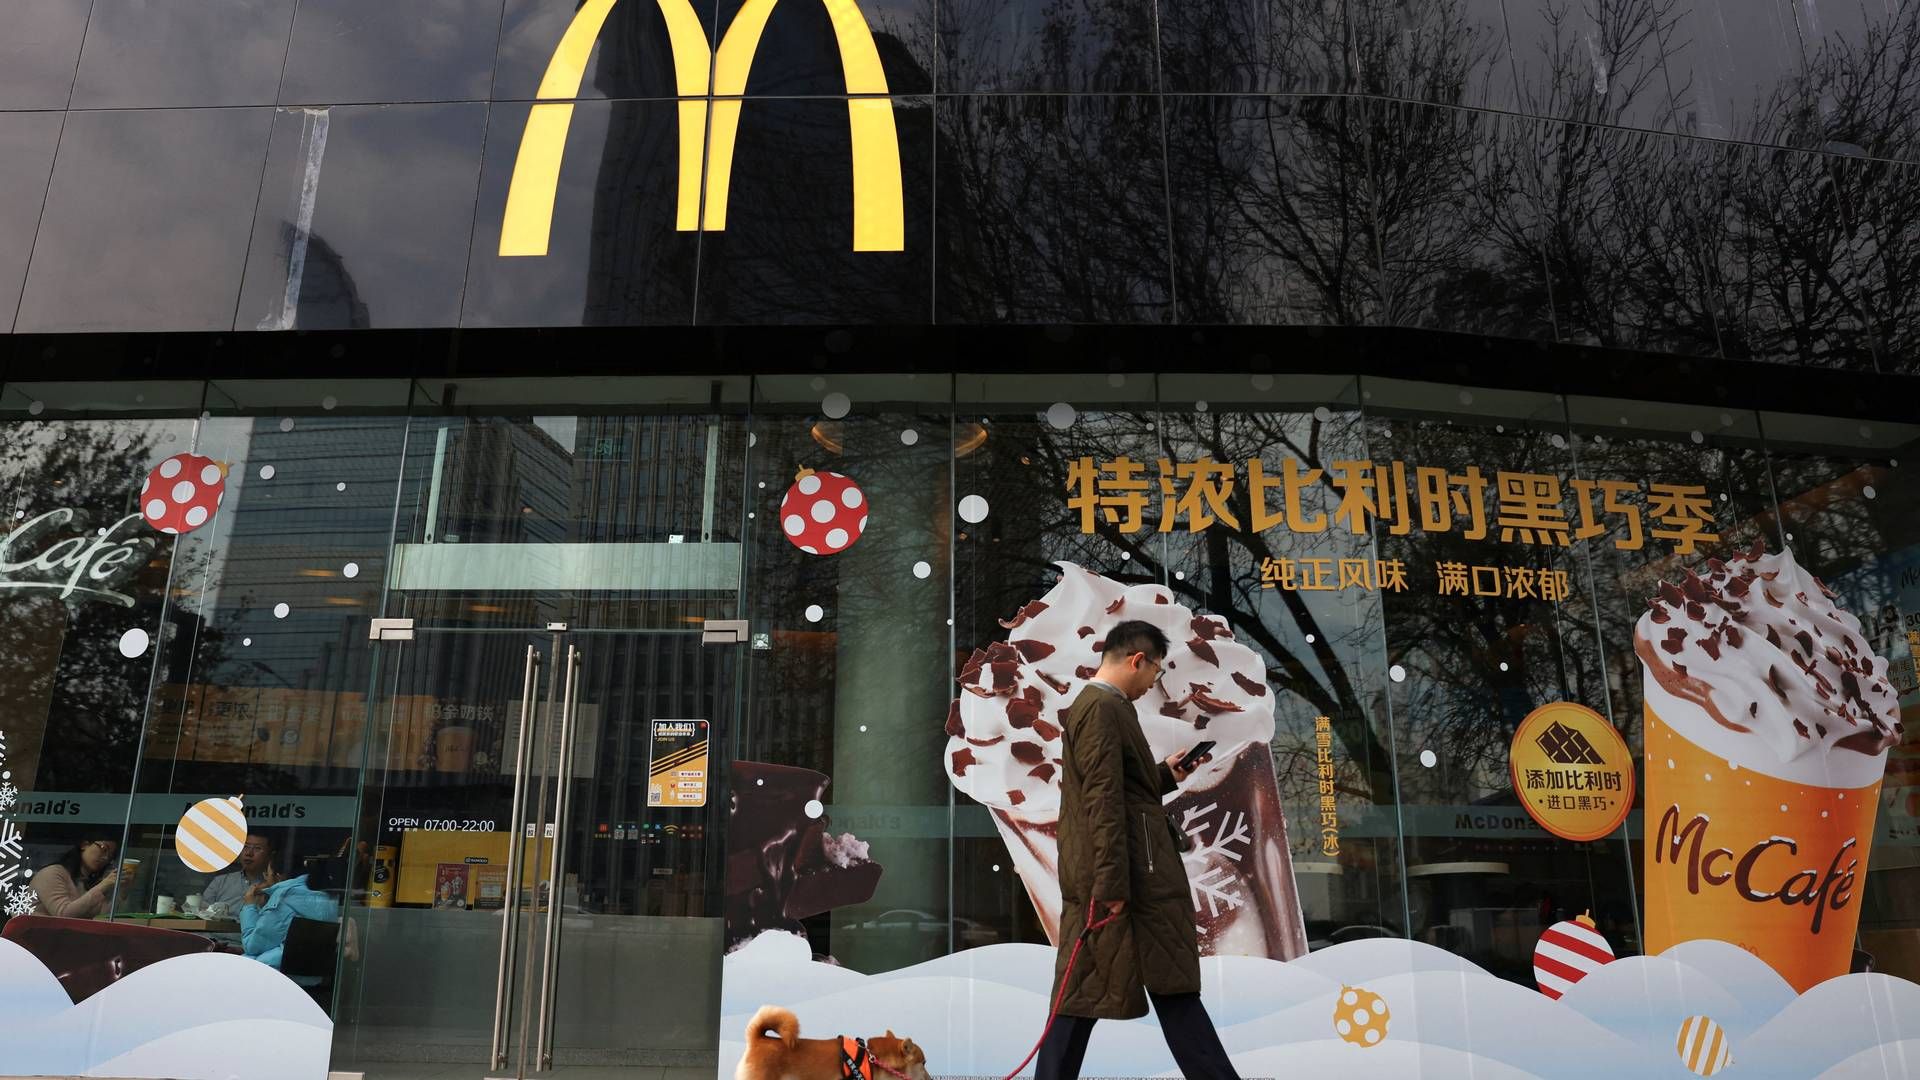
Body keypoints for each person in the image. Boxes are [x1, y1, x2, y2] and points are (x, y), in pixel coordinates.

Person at [1038, 620, 1241, 1080]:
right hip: (1128, 881)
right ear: (1137, 660)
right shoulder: (1102, 709)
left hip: (1130, 876)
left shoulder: (1105, 708)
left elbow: (1120, 791)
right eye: (1155, 670)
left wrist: (1165, 775)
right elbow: (1102, 800)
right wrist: (1109, 884)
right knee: (1122, 997)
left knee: (1092, 997)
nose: (1156, 681)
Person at [237, 842, 344, 972]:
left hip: (281, 976)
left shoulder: (283, 898)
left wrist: (250, 906)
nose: (266, 877)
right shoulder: (324, 896)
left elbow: (252, 946)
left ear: (278, 876)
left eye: (268, 873)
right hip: (314, 975)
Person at [29, 835, 121, 918]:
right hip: (39, 934)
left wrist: (122, 891)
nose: (105, 857)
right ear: (84, 845)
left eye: (110, 856)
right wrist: (102, 886)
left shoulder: (87, 881)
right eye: (103, 849)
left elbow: (102, 917)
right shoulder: (52, 873)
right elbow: (63, 914)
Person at [201, 832, 274, 910]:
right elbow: (202, 911)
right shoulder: (221, 881)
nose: (249, 853)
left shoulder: (274, 887)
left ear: (270, 855)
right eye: (245, 846)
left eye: (257, 848)